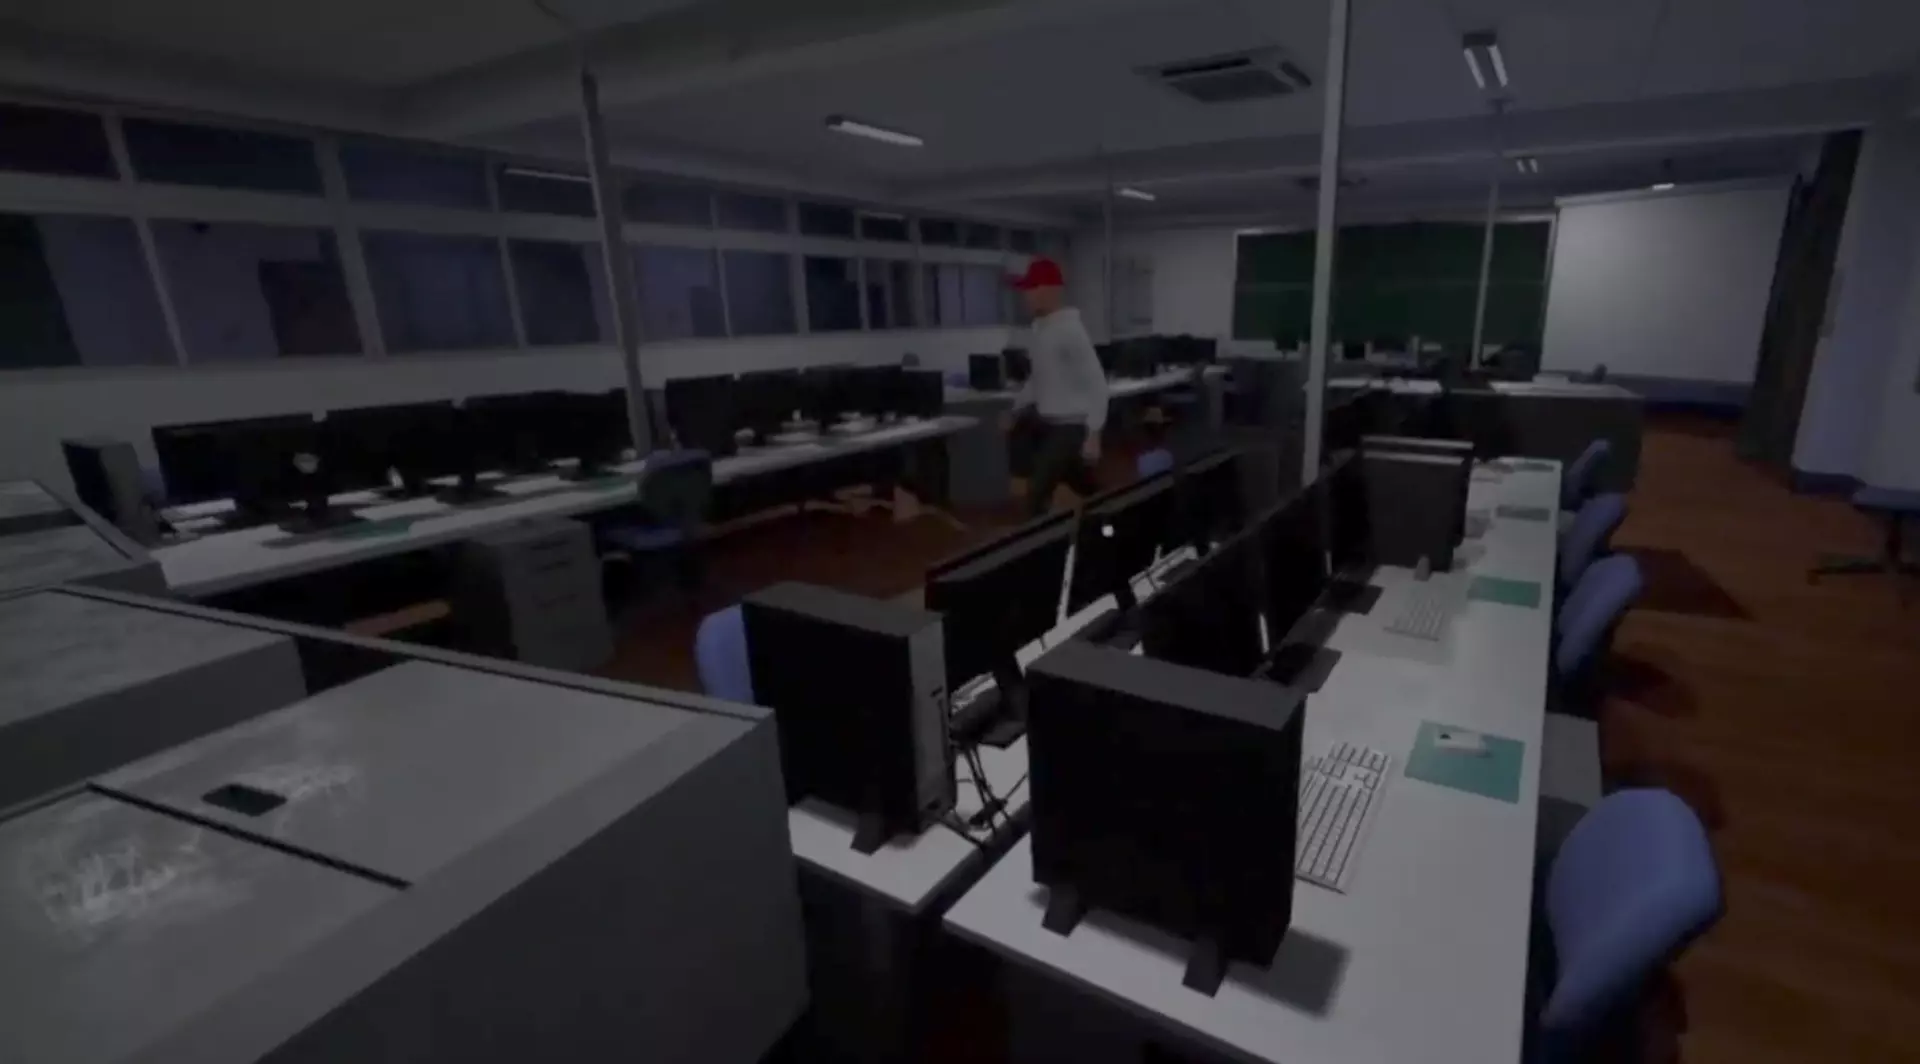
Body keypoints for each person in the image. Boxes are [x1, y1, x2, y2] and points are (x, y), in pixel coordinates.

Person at [1009, 257, 1109, 516]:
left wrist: (1094, 434)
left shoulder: (1070, 331)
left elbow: (1097, 384)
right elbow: (1037, 379)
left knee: (1037, 494)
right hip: (1049, 424)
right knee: (1083, 485)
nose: (1026, 296)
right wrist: (1015, 409)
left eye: (1031, 289)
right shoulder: (1041, 330)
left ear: (1048, 290)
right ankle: (1112, 515)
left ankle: (1038, 538)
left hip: (1071, 427)